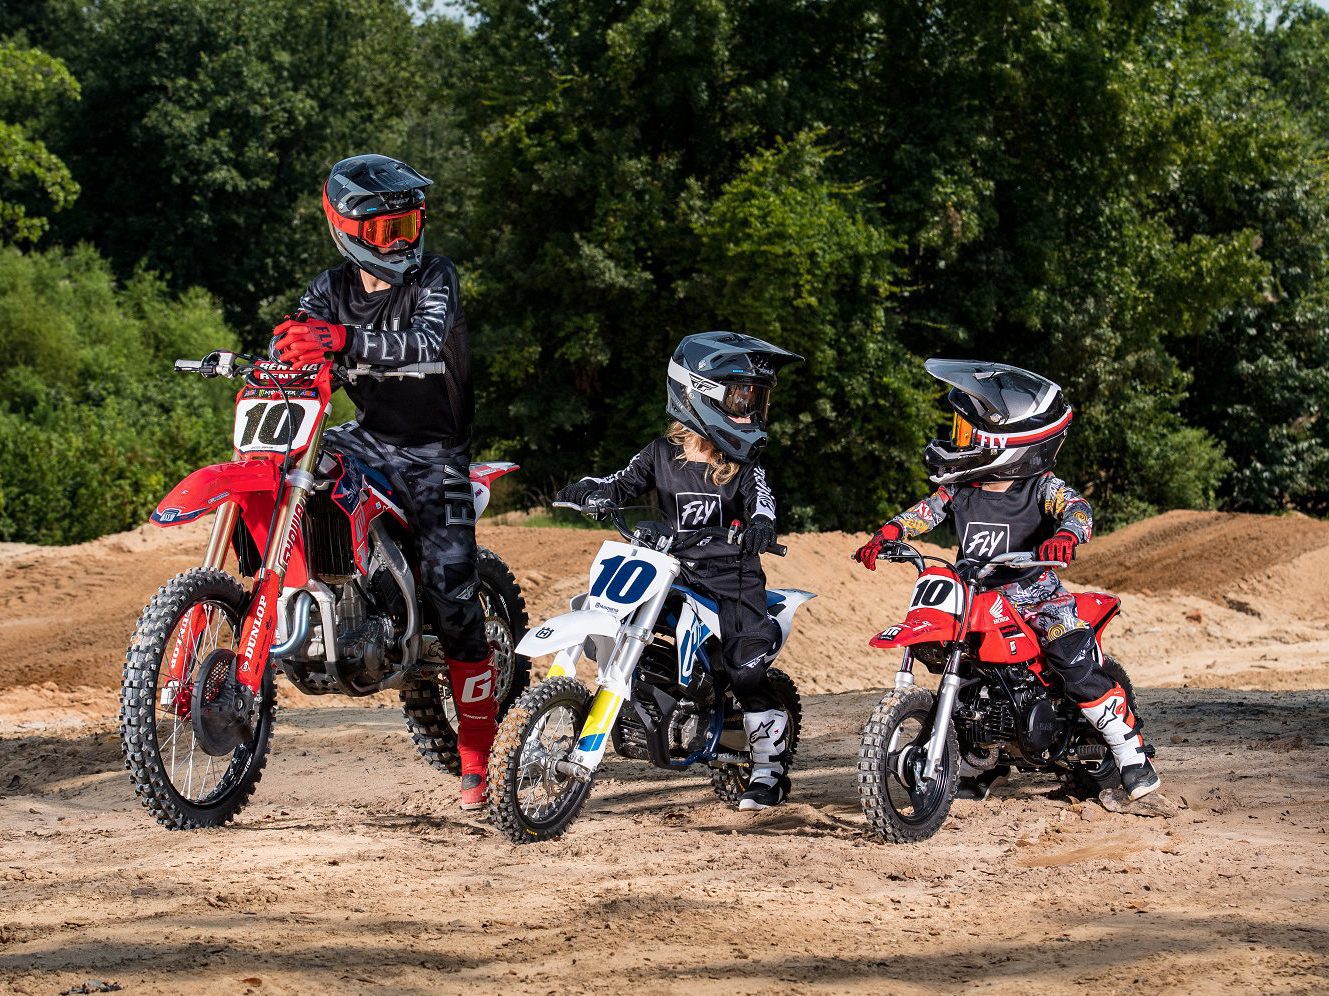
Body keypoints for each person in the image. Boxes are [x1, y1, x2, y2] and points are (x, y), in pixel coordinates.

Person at [270, 153, 496, 810]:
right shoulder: (328, 288)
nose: (400, 241)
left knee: (453, 591)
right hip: (365, 438)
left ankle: (476, 753)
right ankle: (320, 601)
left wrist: (340, 341)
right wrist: (280, 356)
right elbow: (299, 343)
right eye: (384, 231)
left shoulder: (435, 277)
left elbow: (424, 343)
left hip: (435, 453)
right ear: (346, 228)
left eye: (408, 225)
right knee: (297, 476)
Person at [852, 358, 1160, 801]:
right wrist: (889, 533)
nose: (958, 439)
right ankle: (976, 759)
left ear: (1007, 442)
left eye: (966, 432)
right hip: (974, 596)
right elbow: (925, 512)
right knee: (962, 669)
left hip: (1037, 597)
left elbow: (1078, 510)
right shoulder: (960, 488)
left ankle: (1130, 753)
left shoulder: (1041, 487)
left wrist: (1066, 537)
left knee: (1071, 661)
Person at [555, 331, 802, 810]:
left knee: (744, 667)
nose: (750, 412)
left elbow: (763, 504)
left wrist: (760, 527)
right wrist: (589, 490)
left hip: (732, 579)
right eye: (741, 398)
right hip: (675, 570)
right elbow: (619, 482)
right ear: (698, 394)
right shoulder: (660, 454)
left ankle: (769, 771)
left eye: (756, 400)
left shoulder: (744, 464)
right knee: (622, 617)